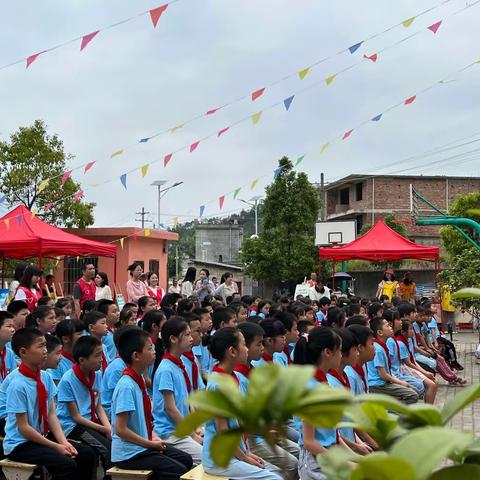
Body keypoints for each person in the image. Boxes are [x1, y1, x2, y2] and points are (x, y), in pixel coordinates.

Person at [4, 328, 96, 480]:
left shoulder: (45, 377)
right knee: (66, 464)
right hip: (20, 444)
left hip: (40, 436)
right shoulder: (18, 384)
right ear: (23, 352)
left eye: (45, 346)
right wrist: (55, 446)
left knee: (86, 454)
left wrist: (63, 442)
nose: (45, 350)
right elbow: (23, 427)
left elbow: (51, 414)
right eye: (40, 346)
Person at [111, 328, 193, 479]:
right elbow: (120, 429)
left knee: (186, 459)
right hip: (128, 453)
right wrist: (150, 444)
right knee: (177, 469)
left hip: (141, 446)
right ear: (136, 356)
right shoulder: (126, 386)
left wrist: (153, 437)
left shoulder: (138, 379)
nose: (154, 351)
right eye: (149, 348)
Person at [202, 327, 282, 479]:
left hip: (234, 453)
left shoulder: (231, 377)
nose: (246, 349)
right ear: (232, 351)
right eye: (244, 345)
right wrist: (244, 458)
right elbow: (223, 431)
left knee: (276, 473)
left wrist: (247, 452)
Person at [235, 322, 299, 480]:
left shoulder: (251, 370)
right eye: (258, 344)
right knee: (291, 464)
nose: (262, 348)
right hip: (253, 437)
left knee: (299, 452)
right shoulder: (240, 378)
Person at [294, 327, 345, 480]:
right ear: (327, 352)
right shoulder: (312, 389)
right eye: (340, 351)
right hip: (316, 462)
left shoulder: (321, 381)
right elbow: (309, 442)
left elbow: (330, 433)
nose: (341, 356)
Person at [57, 336, 112, 474]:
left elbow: (98, 407)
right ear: (81, 360)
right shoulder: (67, 380)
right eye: (97, 355)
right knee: (106, 449)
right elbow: (76, 417)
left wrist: (109, 428)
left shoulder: (97, 374)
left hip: (90, 422)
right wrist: (104, 429)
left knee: (114, 443)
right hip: (72, 426)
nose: (101, 359)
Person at [153, 318, 203, 465]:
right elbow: (171, 409)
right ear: (173, 339)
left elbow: (188, 401)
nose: (191, 338)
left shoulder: (179, 365)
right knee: (209, 459)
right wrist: (193, 435)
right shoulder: (166, 369)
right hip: (171, 433)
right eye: (187, 335)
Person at [326, 329, 372, 455]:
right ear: (341, 352)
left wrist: (360, 443)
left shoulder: (344, 376)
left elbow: (349, 423)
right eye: (354, 350)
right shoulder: (331, 385)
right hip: (342, 451)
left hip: (352, 444)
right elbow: (334, 433)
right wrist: (358, 447)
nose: (357, 354)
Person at [366, 317, 418, 404]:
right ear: (380, 332)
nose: (391, 327)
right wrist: (400, 382)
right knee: (412, 395)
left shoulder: (382, 346)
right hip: (378, 385)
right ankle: (390, 408)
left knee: (414, 389)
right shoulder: (378, 349)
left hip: (384, 382)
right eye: (387, 326)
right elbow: (383, 374)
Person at [0, 312, 17, 384]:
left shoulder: (9, 353)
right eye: (9, 326)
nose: (13, 330)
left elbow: (13, 379)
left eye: (13, 326)